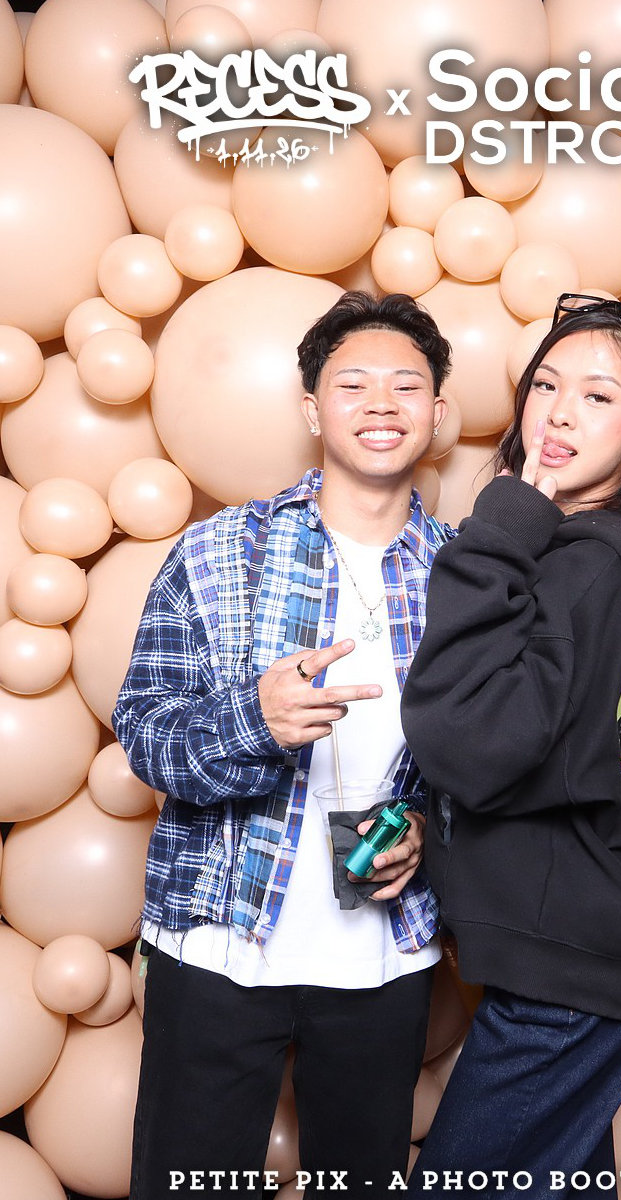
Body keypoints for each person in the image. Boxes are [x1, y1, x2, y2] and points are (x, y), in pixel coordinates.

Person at [400, 293, 621, 1199]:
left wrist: (500, 530)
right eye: (546, 386)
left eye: (597, 396)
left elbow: (467, 739)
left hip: (576, 962)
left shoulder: (587, 564)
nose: (557, 414)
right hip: (599, 931)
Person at [113, 291, 453, 1200]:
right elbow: (144, 736)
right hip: (219, 945)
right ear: (311, 409)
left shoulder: (468, 577)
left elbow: (492, 768)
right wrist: (252, 723)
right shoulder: (218, 553)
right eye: (352, 384)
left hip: (384, 955)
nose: (380, 404)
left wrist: (429, 829)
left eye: (405, 386)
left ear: (436, 413)